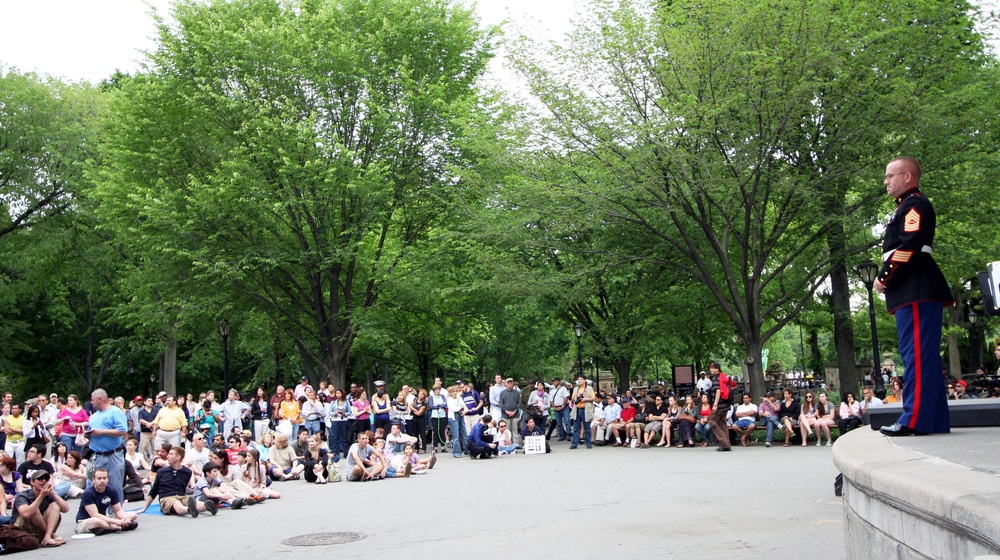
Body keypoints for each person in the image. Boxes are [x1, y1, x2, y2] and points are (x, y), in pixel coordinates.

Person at [874, 157, 953, 436]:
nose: (885, 181)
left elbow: (909, 247)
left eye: (889, 176)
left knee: (917, 357)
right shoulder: (906, 207)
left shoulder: (914, 205)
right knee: (925, 358)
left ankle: (914, 419)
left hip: (915, 287)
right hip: (915, 287)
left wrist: (884, 278)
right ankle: (935, 420)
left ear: (907, 176)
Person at [138, 446, 216, 517]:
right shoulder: (161, 471)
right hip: (166, 498)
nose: (168, 456)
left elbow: (183, 487)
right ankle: (189, 510)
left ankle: (207, 506)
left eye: (171, 454)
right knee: (176, 503)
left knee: (194, 502)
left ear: (178, 457)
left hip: (181, 496)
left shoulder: (187, 472)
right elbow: (153, 491)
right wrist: (144, 508)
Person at [86, 388, 128, 499]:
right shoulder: (93, 417)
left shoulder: (115, 412)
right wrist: (86, 436)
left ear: (100, 399)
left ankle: (115, 513)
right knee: (92, 484)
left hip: (113, 455)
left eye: (93, 400)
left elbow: (123, 431)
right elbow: (91, 434)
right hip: (96, 455)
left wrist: (102, 432)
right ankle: (94, 511)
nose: (91, 402)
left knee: (114, 485)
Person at [12, 470, 69, 547]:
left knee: (55, 506)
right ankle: (51, 535)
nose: (43, 481)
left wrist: (53, 493)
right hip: (23, 531)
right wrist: (41, 496)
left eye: (46, 479)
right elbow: (25, 514)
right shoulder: (23, 496)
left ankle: (47, 536)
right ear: (32, 482)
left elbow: (65, 509)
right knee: (33, 509)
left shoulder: (48, 495)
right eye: (40, 479)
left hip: (39, 530)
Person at [73, 468, 138, 536]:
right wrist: (118, 522)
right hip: (86, 520)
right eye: (99, 478)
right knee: (96, 521)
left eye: (104, 478)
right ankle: (118, 527)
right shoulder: (87, 493)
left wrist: (125, 519)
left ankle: (106, 528)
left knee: (133, 514)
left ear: (108, 479)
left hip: (104, 517)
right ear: (93, 480)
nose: (102, 481)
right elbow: (95, 515)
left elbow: (118, 510)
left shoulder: (112, 490)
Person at [708, 362, 736, 451]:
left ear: (717, 369)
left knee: (712, 421)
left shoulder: (716, 378)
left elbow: (718, 391)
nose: (711, 369)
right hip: (725, 405)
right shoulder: (722, 377)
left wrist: (715, 405)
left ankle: (724, 442)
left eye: (712, 368)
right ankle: (727, 444)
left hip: (719, 405)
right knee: (722, 424)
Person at [569, 375, 595, 449]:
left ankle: (588, 443)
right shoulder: (576, 389)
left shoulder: (589, 388)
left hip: (585, 410)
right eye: (578, 379)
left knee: (587, 427)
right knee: (576, 428)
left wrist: (585, 399)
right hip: (577, 409)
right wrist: (575, 398)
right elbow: (572, 398)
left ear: (584, 380)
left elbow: (593, 398)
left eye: (581, 379)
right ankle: (574, 443)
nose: (579, 380)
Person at [327, 389, 351, 462]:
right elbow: (329, 412)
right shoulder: (333, 402)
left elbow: (350, 411)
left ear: (342, 394)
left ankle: (346, 453)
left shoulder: (346, 402)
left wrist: (345, 414)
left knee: (344, 437)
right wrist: (335, 413)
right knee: (335, 437)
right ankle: (336, 453)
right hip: (335, 420)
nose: (337, 395)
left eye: (339, 393)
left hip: (343, 420)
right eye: (336, 393)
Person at [428, 386, 448, 453]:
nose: (438, 391)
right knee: (435, 431)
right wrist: (440, 405)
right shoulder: (431, 397)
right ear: (434, 390)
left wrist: (438, 405)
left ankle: (443, 447)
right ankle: (435, 447)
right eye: (436, 389)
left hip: (442, 416)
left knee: (442, 431)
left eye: (439, 389)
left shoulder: (442, 396)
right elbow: (431, 406)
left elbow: (445, 405)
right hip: (435, 416)